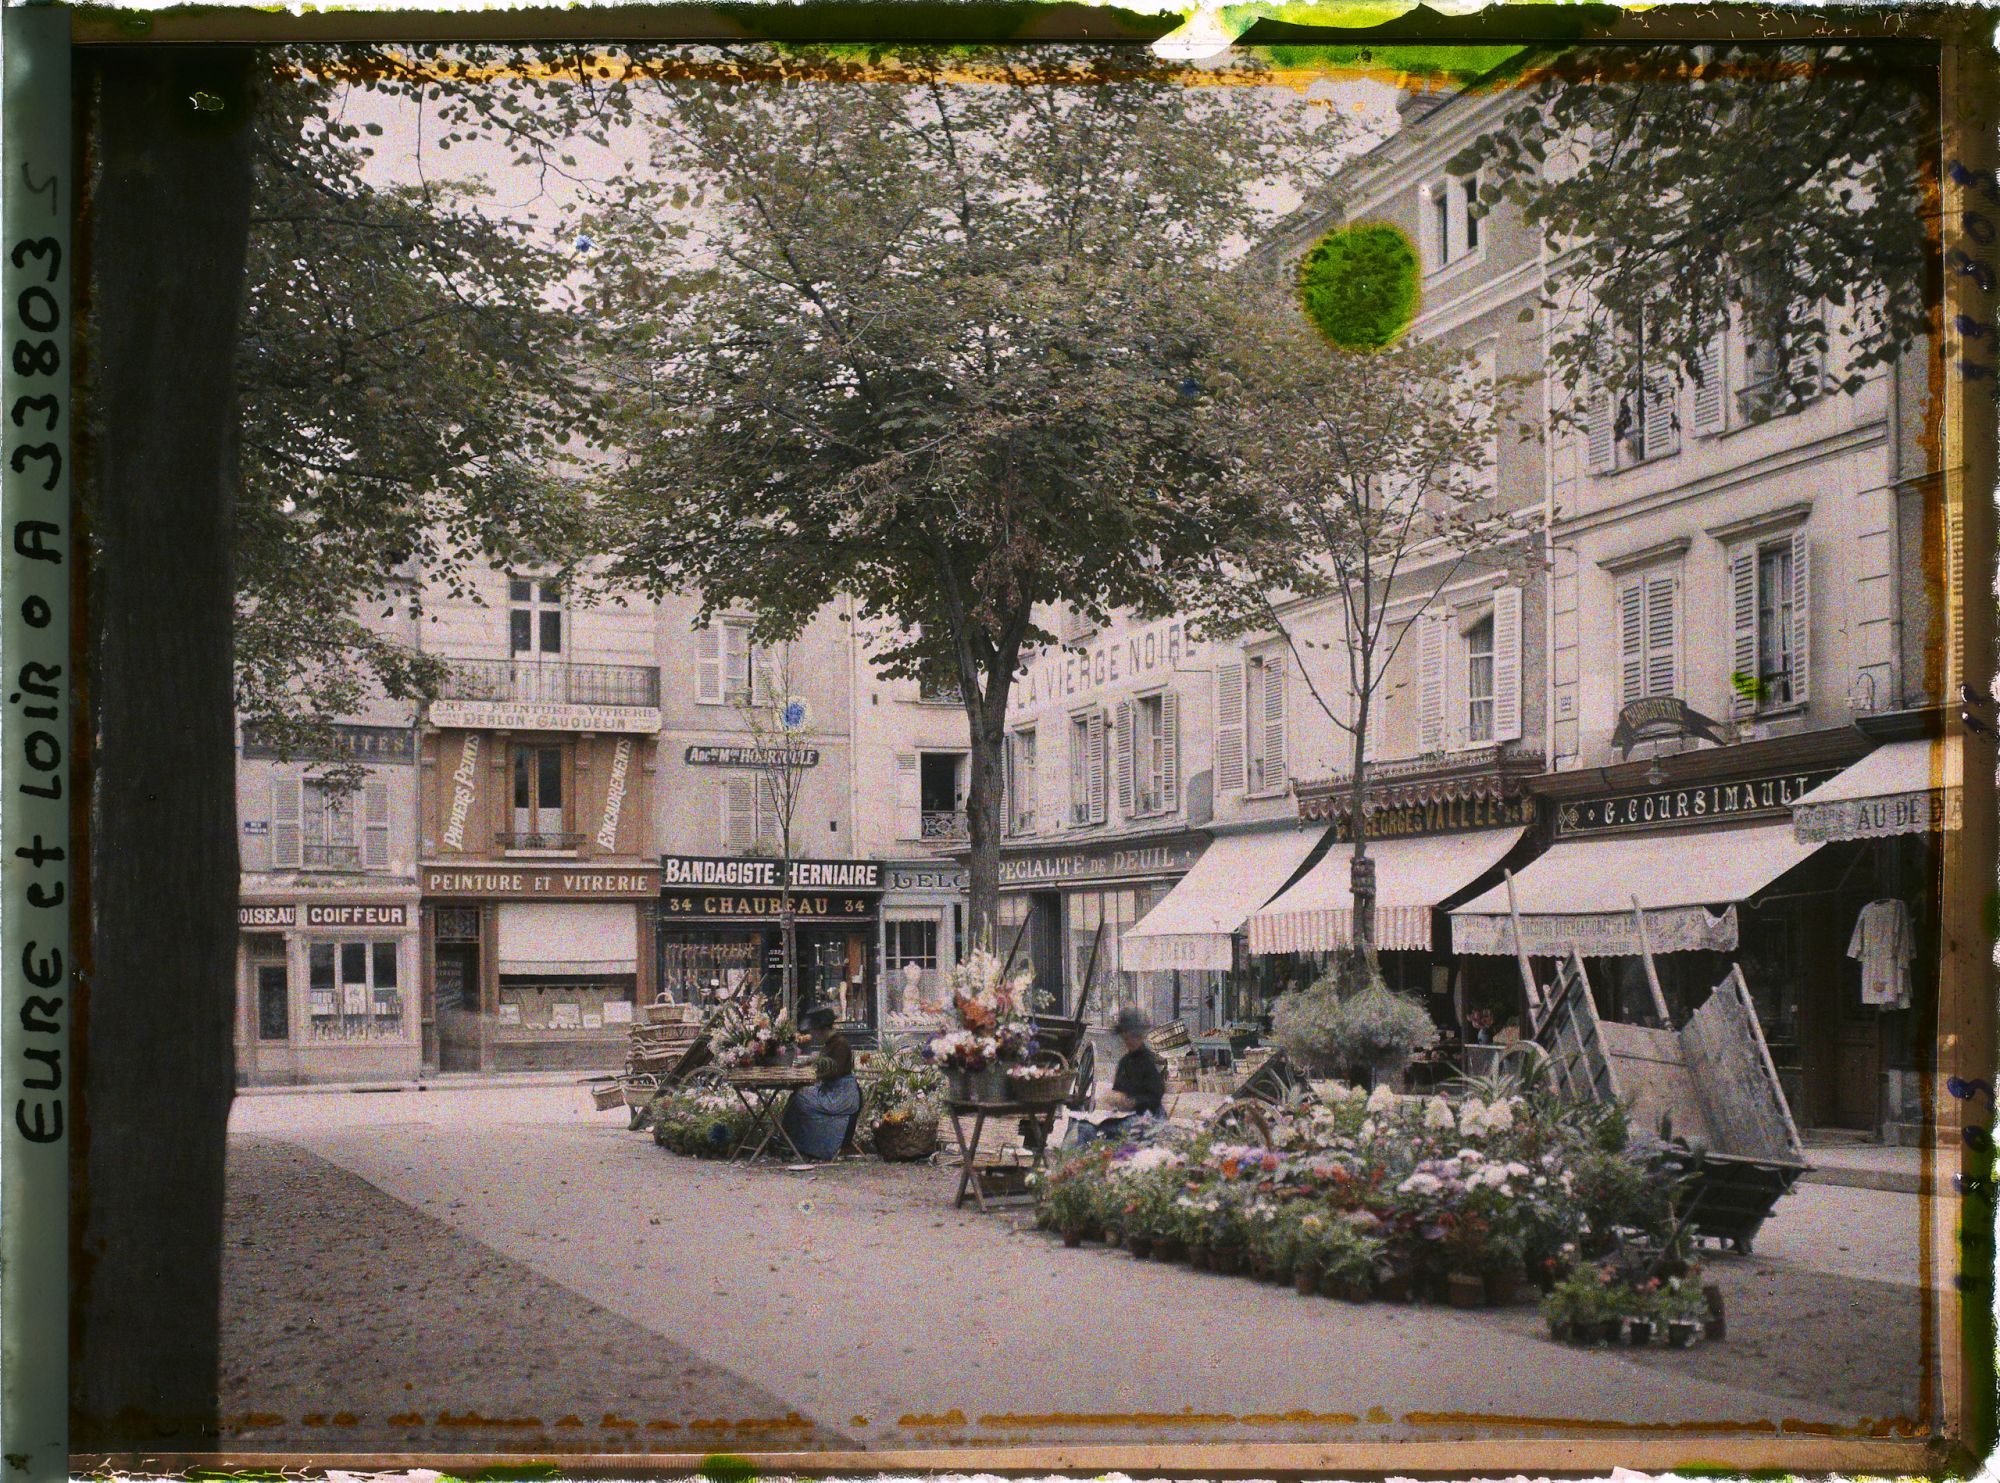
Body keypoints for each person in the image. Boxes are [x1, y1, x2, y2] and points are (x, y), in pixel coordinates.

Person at [780, 1004, 861, 1161]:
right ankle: (794, 1144)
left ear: (821, 1029)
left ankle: (809, 1147)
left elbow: (832, 1071)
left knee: (801, 1098)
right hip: (832, 1090)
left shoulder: (840, 1044)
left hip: (841, 1095)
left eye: (813, 1030)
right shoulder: (831, 1043)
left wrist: (812, 1071)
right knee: (797, 1097)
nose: (811, 1034)